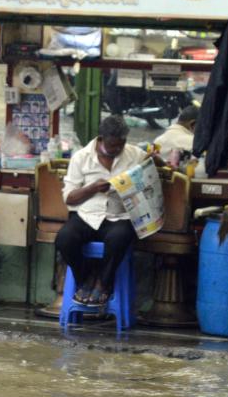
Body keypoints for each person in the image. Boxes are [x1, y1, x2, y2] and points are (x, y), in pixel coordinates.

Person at [55, 115, 156, 310]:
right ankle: (85, 278)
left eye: (121, 145)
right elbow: (69, 198)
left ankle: (103, 283)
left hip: (120, 216)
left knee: (119, 238)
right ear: (101, 139)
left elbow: (149, 176)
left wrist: (154, 163)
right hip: (87, 215)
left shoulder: (134, 155)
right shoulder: (81, 158)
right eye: (112, 146)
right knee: (64, 239)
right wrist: (92, 189)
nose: (117, 150)